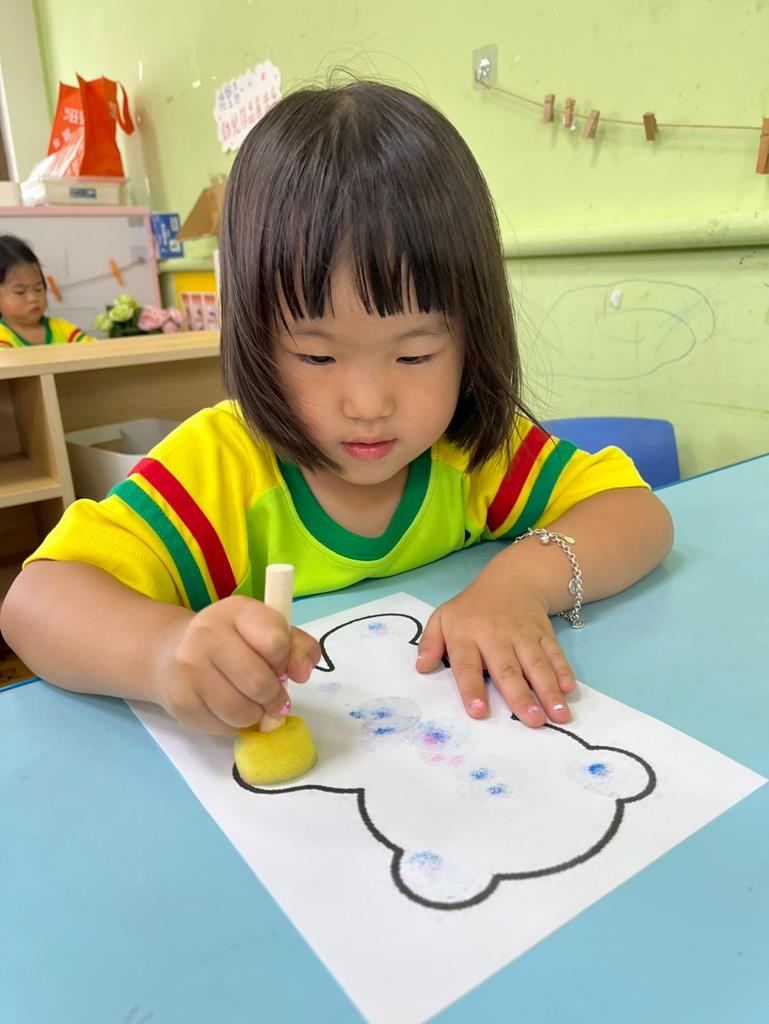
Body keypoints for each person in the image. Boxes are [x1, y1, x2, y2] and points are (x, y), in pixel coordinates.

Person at [0, 81, 673, 736]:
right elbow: (35, 603)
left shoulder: (472, 450)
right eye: (317, 357)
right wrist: (161, 652)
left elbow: (635, 512)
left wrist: (520, 584)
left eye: (415, 355)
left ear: (474, 337)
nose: (369, 405)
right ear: (254, 337)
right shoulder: (220, 469)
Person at [0, 235, 96, 347]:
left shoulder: (62, 328)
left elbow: (94, 349)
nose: (33, 298)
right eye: (20, 291)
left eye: (38, 289)